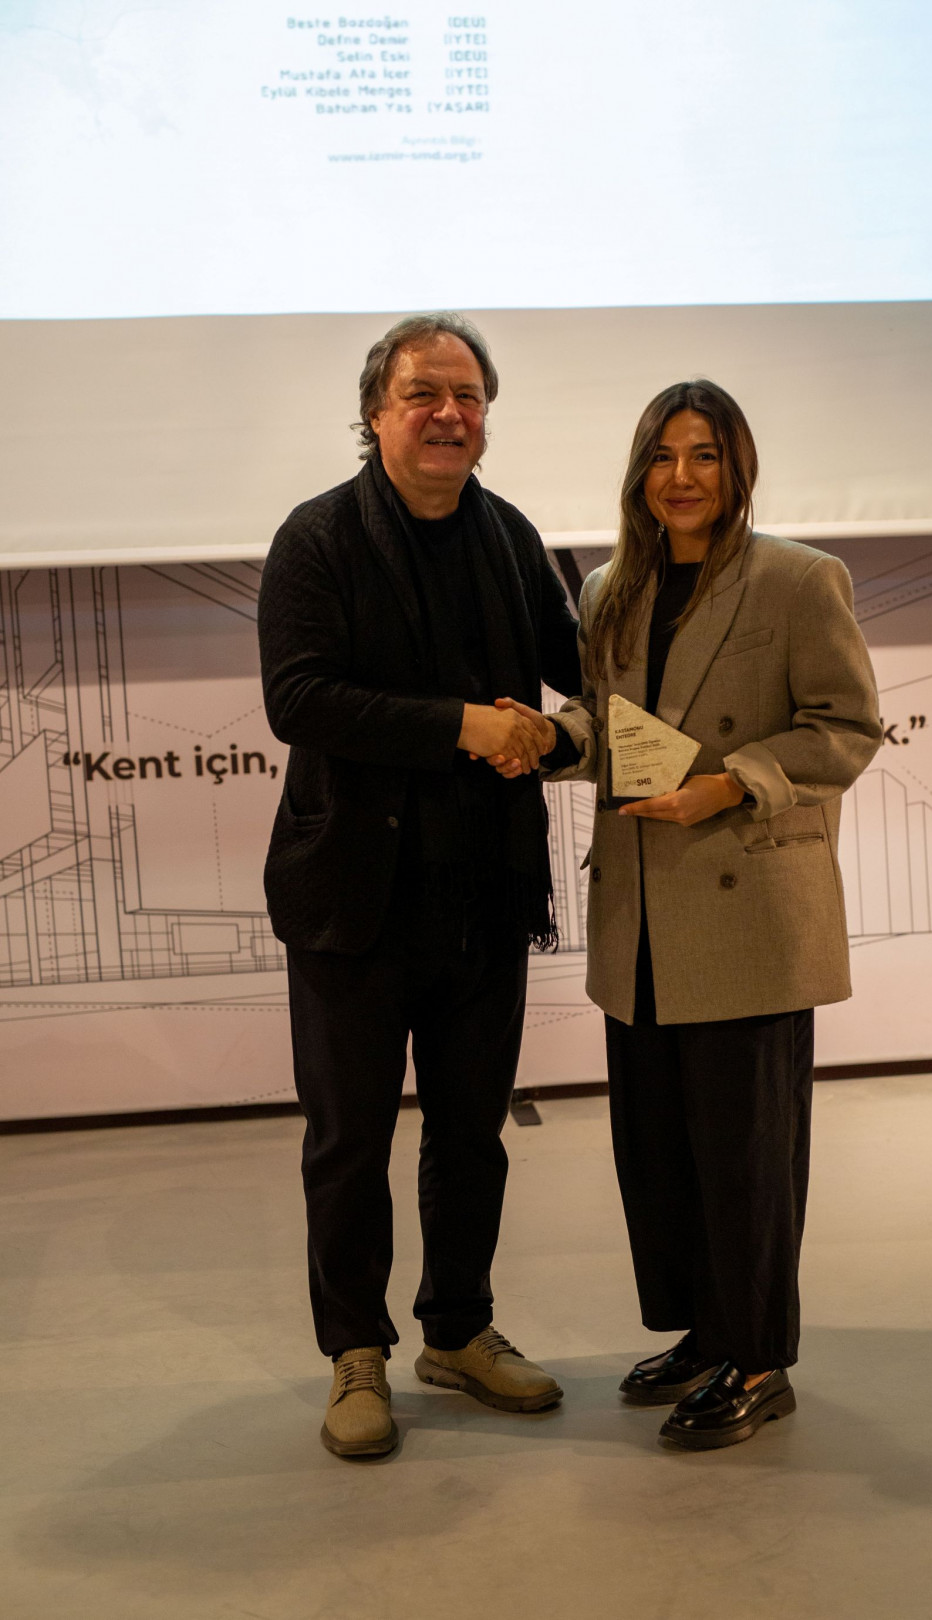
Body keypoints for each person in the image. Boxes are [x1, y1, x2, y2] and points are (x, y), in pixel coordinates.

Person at [490, 379, 881, 1450]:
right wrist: (552, 739)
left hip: (745, 905)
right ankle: (706, 1333)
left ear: (737, 468)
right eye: (663, 456)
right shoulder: (612, 587)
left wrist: (732, 783)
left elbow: (845, 726)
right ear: (639, 472)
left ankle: (758, 1361)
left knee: (746, 1157)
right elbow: (615, 728)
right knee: (661, 1152)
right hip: (642, 914)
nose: (682, 476)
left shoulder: (799, 579)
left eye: (704, 455)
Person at [258, 313, 581, 1457]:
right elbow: (299, 699)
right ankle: (356, 1352)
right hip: (351, 898)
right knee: (348, 1141)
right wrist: (463, 726)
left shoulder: (514, 537)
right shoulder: (317, 538)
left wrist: (562, 736)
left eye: (469, 396)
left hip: (484, 892)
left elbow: (581, 672)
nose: (450, 414)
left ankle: (458, 1329)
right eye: (423, 395)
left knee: (470, 1134)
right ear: (375, 412)